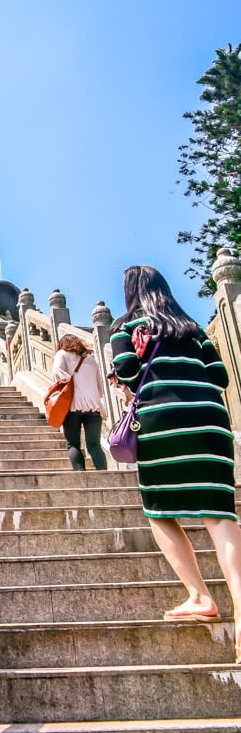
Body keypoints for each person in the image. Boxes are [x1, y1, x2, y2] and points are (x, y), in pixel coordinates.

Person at [110, 265, 240, 659]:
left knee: (159, 512)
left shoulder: (127, 327)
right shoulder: (192, 327)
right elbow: (220, 377)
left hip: (162, 422)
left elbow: (128, 372)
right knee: (220, 516)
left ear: (130, 291)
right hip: (211, 423)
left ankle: (199, 596)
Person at [51, 334, 107, 470]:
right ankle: (104, 474)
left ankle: (81, 474)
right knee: (94, 445)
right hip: (94, 407)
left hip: (72, 406)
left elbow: (56, 372)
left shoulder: (62, 354)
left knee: (73, 444)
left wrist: (68, 381)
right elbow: (100, 390)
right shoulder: (91, 359)